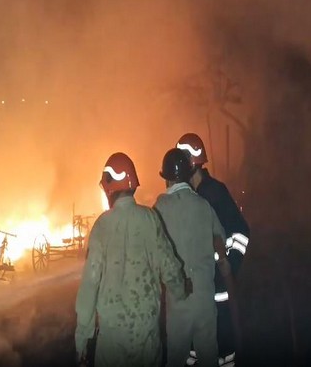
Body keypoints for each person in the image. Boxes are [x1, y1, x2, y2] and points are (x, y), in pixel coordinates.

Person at [75, 152, 191, 367]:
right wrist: (182, 289)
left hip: (112, 342)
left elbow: (90, 284)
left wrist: (82, 338)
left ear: (109, 188)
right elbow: (169, 266)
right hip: (147, 338)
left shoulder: (101, 226)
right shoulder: (150, 218)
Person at [176, 133, 250, 367]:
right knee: (194, 353)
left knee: (223, 351)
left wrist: (230, 264)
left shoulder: (215, 193)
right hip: (197, 293)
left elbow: (240, 232)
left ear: (190, 163)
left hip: (218, 292)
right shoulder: (189, 196)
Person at [154, 148, 232, 367]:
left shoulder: (159, 209)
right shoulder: (203, 205)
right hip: (205, 300)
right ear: (189, 175)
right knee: (208, 357)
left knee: (177, 359)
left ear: (166, 179)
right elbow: (221, 240)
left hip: (178, 303)